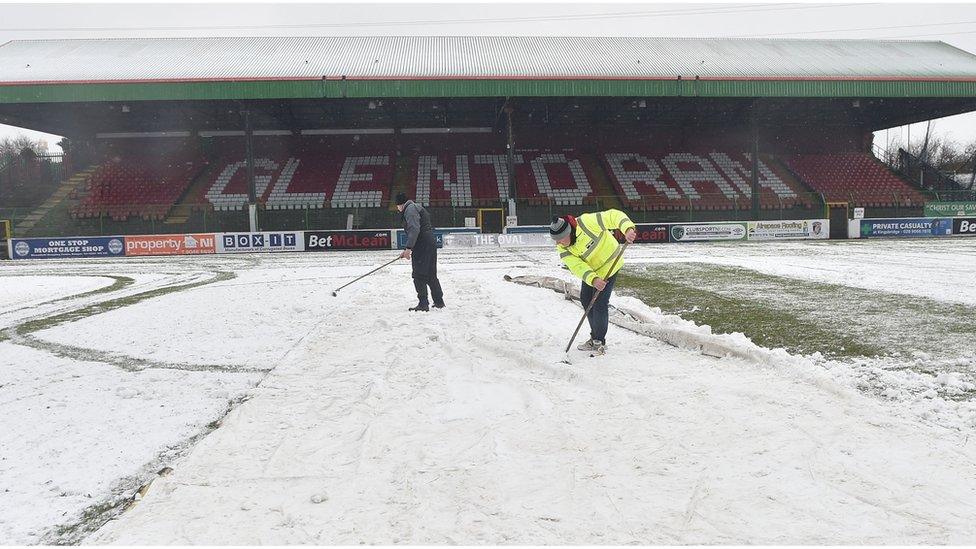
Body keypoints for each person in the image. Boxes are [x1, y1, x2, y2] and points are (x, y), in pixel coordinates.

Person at [550, 209, 636, 354]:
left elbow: (613, 216)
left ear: (569, 232)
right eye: (556, 240)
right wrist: (593, 279)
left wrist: (627, 229)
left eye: (560, 239)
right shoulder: (562, 247)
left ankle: (599, 341)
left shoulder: (586, 222)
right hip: (594, 271)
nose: (558, 243)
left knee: (600, 302)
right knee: (585, 299)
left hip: (611, 264)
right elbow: (577, 266)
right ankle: (595, 336)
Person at [396, 193, 444, 312]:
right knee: (431, 274)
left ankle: (423, 303)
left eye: (397, 206)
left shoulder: (410, 210)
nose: (397, 209)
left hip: (422, 244)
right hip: (429, 243)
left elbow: (414, 229)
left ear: (400, 204)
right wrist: (407, 249)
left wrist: (408, 248)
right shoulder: (416, 207)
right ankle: (439, 302)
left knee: (418, 275)